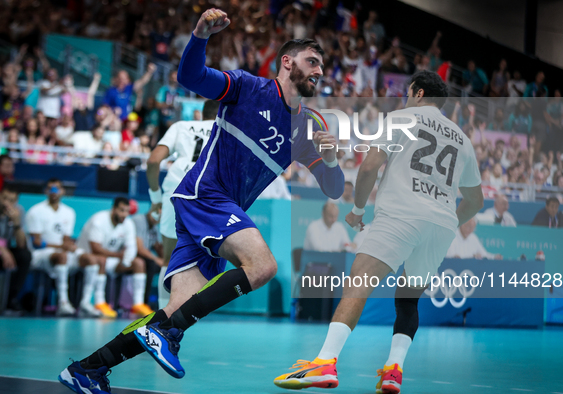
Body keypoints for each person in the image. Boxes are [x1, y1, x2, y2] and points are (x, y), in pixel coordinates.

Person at [59, 8, 343, 393]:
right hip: (205, 196)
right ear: (287, 62)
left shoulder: (307, 127)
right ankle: (169, 334)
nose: (319, 71)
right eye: (312, 62)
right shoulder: (247, 87)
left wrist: (329, 161)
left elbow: (334, 188)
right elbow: (190, 77)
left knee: (173, 310)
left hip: (214, 210)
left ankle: (87, 370)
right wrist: (199, 36)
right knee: (262, 266)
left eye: (322, 66)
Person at [274, 70, 483, 393]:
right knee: (408, 300)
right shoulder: (463, 138)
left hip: (402, 212)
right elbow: (475, 200)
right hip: (441, 225)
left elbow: (370, 165)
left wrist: (358, 211)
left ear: (417, 92)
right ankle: (393, 370)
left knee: (358, 282)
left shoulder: (402, 118)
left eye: (408, 91)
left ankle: (325, 362)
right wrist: (450, 219)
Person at [146, 99, 219, 309]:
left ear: (201, 112)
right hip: (208, 191)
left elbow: (153, 161)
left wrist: (155, 198)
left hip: (177, 187)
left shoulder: (181, 126)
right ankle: (191, 311)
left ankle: (161, 316)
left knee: (168, 259)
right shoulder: (226, 132)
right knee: (210, 256)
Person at [25, 179, 99, 317]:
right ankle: (63, 303)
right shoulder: (36, 211)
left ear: (63, 191)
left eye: (57, 188)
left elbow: (65, 239)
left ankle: (85, 303)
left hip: (61, 252)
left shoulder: (69, 212)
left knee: (91, 259)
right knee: (62, 256)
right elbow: (36, 243)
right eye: (50, 188)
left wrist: (69, 246)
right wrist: (61, 246)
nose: (54, 192)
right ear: (46, 191)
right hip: (40, 254)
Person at [75, 197, 141, 318]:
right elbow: (95, 249)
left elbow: (131, 246)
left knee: (138, 263)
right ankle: (99, 302)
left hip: (110, 260)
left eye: (127, 211)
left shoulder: (128, 223)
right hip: (85, 257)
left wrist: (126, 261)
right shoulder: (98, 220)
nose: (124, 214)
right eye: (121, 210)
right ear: (113, 209)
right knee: (101, 260)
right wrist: (119, 255)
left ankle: (138, 304)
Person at [0, 184, 31, 314]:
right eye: (5, 198)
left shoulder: (19, 211)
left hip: (7, 249)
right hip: (2, 250)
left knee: (24, 255)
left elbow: (21, 244)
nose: (7, 203)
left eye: (12, 200)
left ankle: (10, 300)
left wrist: (17, 224)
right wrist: (3, 250)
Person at [131, 206, 163, 307]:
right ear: (150, 211)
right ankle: (144, 303)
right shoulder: (139, 220)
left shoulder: (154, 227)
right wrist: (157, 259)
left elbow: (158, 247)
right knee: (151, 264)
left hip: (145, 258)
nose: (157, 218)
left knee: (168, 268)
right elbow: (139, 248)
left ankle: (165, 303)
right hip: (131, 255)